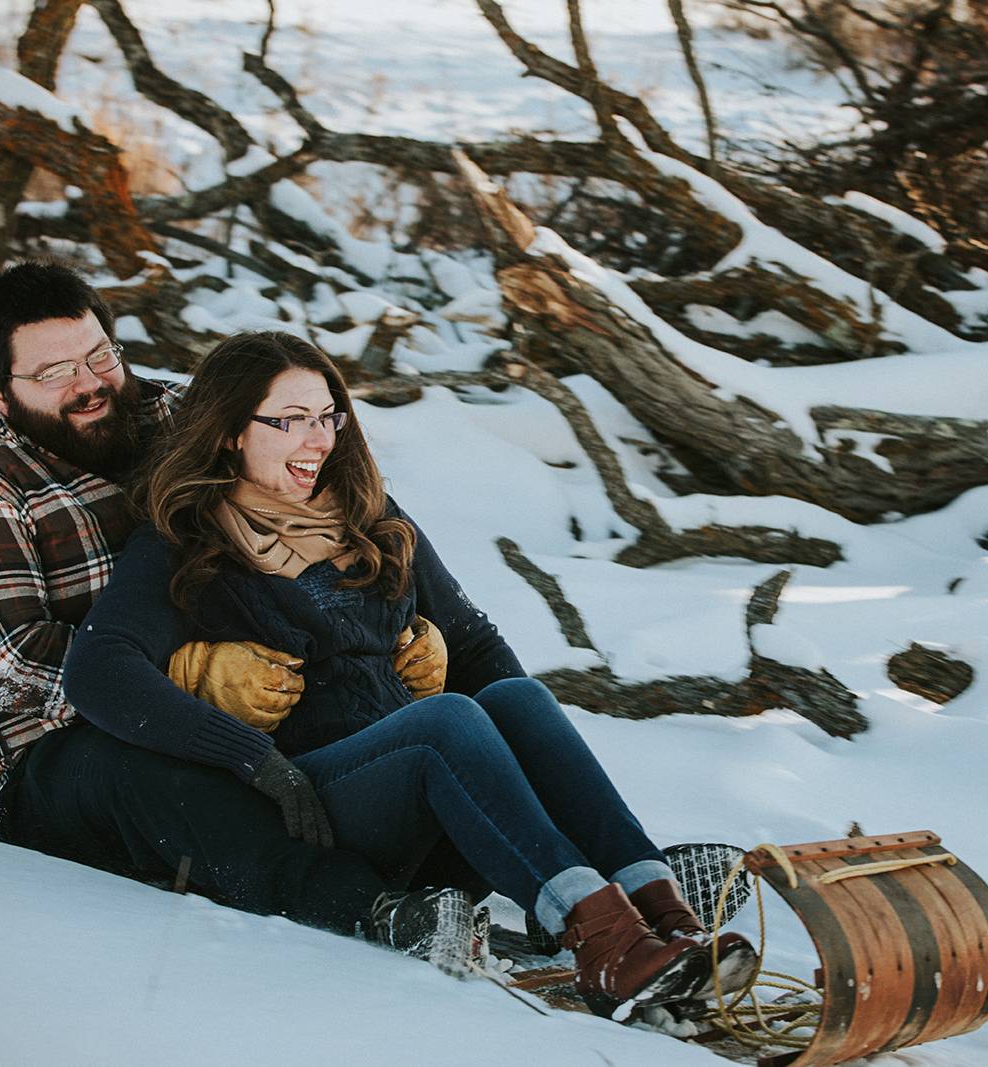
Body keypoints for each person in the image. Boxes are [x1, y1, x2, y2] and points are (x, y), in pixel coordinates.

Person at [61, 330, 757, 1018]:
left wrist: (522, 768)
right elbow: (98, 670)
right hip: (319, 809)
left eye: (328, 416)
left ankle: (658, 912)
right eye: (291, 421)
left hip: (429, 811)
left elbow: (476, 644)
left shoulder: (367, 516)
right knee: (444, 722)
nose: (319, 441)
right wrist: (245, 752)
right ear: (231, 433)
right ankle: (601, 937)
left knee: (514, 694)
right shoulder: (185, 540)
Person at [0, 261, 393, 934]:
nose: (91, 383)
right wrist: (185, 680)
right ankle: (366, 910)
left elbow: (318, 497)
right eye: (54, 372)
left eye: (100, 354)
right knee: (157, 775)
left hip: (253, 711)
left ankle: (435, 852)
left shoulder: (178, 417)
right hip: (58, 756)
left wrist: (390, 621)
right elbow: (7, 666)